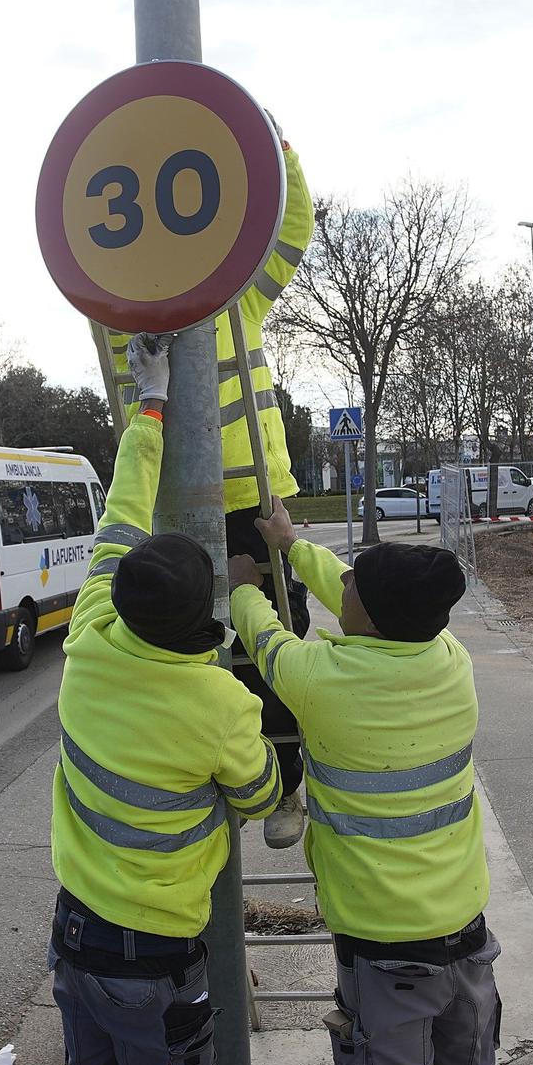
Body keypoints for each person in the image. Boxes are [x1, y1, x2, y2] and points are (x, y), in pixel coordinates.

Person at [49, 332, 283, 1065]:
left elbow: (120, 509)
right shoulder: (218, 703)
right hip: (157, 965)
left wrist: (150, 402)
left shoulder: (87, 637)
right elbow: (259, 794)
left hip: (77, 939)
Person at [227, 503, 508, 1065]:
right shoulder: (451, 663)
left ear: (372, 616)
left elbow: (265, 639)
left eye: (353, 588)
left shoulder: (323, 681)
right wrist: (291, 545)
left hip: (387, 960)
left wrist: (242, 586)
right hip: (467, 943)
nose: (341, 589)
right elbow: (352, 589)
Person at [108, 133, 315, 850]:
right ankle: (216, 773)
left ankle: (285, 781)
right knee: (194, 649)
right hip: (180, 509)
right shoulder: (130, 322)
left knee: (275, 645)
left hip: (256, 500)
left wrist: (274, 143)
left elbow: (292, 232)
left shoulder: (239, 301)